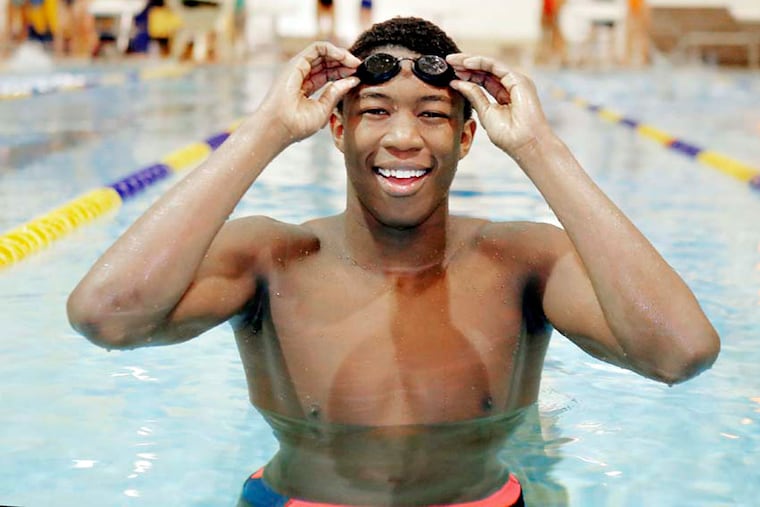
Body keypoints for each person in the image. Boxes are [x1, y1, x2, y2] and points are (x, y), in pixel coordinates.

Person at [67, 16, 720, 507]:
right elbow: (106, 317)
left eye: (432, 115)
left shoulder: (522, 261)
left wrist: (539, 146)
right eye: (375, 111)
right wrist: (268, 127)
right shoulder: (273, 257)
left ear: (467, 136)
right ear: (336, 127)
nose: (403, 137)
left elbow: (680, 352)